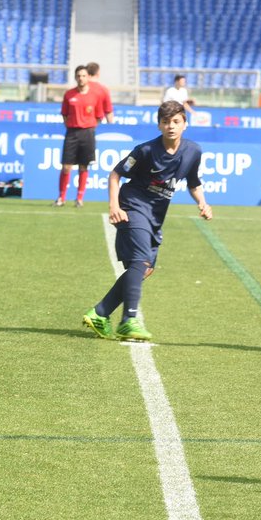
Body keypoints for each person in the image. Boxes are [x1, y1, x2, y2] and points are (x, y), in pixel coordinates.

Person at [82, 100, 212, 342]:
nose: (171, 126)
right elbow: (116, 174)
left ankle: (100, 313)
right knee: (141, 260)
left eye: (176, 121)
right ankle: (128, 320)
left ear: (185, 124)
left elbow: (194, 183)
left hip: (155, 216)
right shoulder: (145, 150)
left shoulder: (193, 151)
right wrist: (114, 206)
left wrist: (202, 203)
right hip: (132, 206)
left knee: (146, 269)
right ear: (159, 125)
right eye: (166, 122)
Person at [56, 65, 111, 208]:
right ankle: (61, 198)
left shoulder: (95, 95)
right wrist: (72, 125)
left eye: (83, 76)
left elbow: (99, 116)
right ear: (75, 77)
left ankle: (79, 198)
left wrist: (89, 126)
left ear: (88, 77)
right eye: (79, 76)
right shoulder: (69, 94)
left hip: (88, 133)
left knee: (83, 167)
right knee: (66, 167)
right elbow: (64, 114)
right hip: (72, 133)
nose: (81, 78)